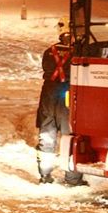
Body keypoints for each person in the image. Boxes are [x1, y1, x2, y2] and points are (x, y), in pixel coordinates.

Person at [36, 22, 86, 186]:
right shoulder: (79, 52)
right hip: (68, 94)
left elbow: (46, 69)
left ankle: (45, 175)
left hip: (49, 93)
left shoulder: (49, 52)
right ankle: (72, 178)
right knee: (69, 135)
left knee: (47, 133)